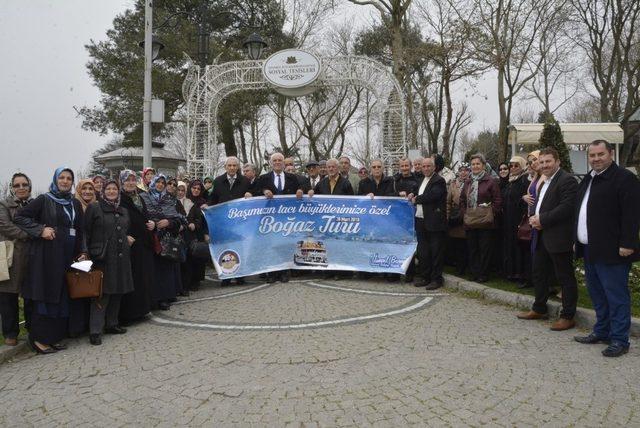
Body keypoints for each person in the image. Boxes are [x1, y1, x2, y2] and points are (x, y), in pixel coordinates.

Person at [573, 140, 640, 357]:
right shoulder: (588, 179)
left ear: (611, 153)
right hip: (589, 248)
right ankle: (602, 331)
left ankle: (620, 339)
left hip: (614, 250)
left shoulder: (624, 179)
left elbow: (632, 214)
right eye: (592, 155)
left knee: (616, 296)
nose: (596, 159)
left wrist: (628, 243)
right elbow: (581, 211)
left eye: (600, 154)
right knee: (597, 294)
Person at [14, 167, 87, 354]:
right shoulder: (44, 199)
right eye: (61, 177)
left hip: (66, 257)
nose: (65, 181)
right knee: (46, 296)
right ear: (55, 180)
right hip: (46, 257)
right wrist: (40, 230)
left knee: (61, 296)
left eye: (68, 178)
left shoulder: (74, 203)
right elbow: (20, 217)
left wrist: (82, 251)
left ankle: (53, 338)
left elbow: (80, 230)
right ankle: (39, 340)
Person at [517, 148, 579, 331]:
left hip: (558, 236)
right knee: (539, 273)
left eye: (548, 162)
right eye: (542, 162)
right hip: (541, 235)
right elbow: (541, 204)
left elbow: (567, 207)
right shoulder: (544, 181)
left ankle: (568, 316)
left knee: (564, 276)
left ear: (558, 161)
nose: (544, 165)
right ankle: (539, 308)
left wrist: (542, 219)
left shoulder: (567, 180)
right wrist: (534, 217)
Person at [84, 179, 134, 345]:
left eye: (114, 189)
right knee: (102, 293)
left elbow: (125, 229)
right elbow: (86, 232)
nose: (112, 191)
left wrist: (127, 238)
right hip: (102, 257)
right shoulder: (95, 207)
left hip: (121, 256)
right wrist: (86, 252)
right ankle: (95, 330)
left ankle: (112, 323)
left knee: (118, 290)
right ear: (103, 191)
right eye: (109, 189)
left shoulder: (123, 210)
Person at [253, 153, 304, 283]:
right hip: (269, 219)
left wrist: (300, 191)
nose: (277, 162)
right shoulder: (263, 178)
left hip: (287, 218)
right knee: (270, 244)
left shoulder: (292, 178)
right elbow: (254, 192)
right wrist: (264, 191)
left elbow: (302, 188)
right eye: (274, 160)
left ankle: (284, 271)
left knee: (285, 244)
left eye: (279, 160)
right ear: (271, 163)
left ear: (283, 163)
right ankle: (271, 272)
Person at [140, 175, 186, 310]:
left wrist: (168, 222)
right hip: (150, 239)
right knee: (151, 270)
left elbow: (179, 220)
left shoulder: (170, 199)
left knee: (165, 270)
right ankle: (152, 299)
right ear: (152, 183)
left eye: (162, 182)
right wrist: (153, 224)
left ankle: (164, 298)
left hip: (166, 240)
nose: (160, 185)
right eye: (158, 182)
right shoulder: (143, 197)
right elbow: (140, 216)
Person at [0, 173, 33, 346]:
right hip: (10, 257)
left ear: (29, 186)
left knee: (31, 296)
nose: (21, 188)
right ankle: (10, 334)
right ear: (12, 188)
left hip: (31, 256)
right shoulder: (4, 204)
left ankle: (32, 329)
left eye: (24, 184)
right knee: (7, 297)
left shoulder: (36, 203)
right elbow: (5, 226)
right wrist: (28, 234)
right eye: (17, 185)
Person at [118, 170, 155, 324]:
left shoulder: (139, 198)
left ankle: (142, 310)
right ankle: (130, 314)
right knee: (131, 279)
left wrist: (152, 224)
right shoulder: (119, 199)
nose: (131, 183)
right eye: (127, 180)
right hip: (129, 244)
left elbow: (145, 216)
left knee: (142, 278)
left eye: (133, 180)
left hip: (143, 243)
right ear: (122, 182)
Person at [459, 154, 502, 283]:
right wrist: (464, 213)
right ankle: (474, 272)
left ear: (483, 165)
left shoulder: (490, 181)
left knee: (485, 249)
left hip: (485, 222)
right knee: (472, 248)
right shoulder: (468, 182)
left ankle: (483, 274)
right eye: (473, 164)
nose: (475, 166)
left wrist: (490, 213)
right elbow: (462, 200)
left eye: (478, 164)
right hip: (470, 221)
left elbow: (497, 200)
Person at [210, 157, 251, 285]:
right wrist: (207, 206)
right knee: (225, 248)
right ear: (225, 167)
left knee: (240, 247)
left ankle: (240, 275)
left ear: (238, 167)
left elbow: (253, 196)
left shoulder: (245, 181)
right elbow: (213, 199)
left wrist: (250, 194)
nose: (232, 168)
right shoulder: (217, 181)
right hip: (224, 221)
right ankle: (226, 275)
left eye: (234, 165)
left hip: (240, 221)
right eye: (230, 166)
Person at [411, 157, 447, 289]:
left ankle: (436, 279)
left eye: (428, 166)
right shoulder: (421, 180)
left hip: (434, 221)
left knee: (435, 251)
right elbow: (417, 193)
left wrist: (417, 199)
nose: (425, 168)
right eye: (423, 166)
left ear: (434, 167)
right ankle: (425, 276)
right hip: (420, 219)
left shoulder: (439, 181)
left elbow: (433, 196)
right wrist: (411, 195)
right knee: (423, 251)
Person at [502, 157, 529, 286]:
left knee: (519, 248)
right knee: (510, 246)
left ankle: (520, 274)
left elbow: (525, 200)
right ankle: (510, 272)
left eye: (516, 166)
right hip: (508, 219)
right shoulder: (510, 181)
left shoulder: (524, 180)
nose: (512, 168)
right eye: (511, 166)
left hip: (519, 219)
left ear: (522, 166)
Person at [182, 179, 209, 290]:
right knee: (189, 257)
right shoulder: (185, 200)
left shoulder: (203, 202)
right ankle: (188, 280)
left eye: (198, 188)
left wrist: (206, 233)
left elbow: (207, 220)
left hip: (199, 232)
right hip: (187, 232)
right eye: (194, 188)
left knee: (199, 257)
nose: (196, 190)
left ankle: (196, 280)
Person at [446, 163, 470, 275]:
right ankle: (459, 267)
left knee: (468, 244)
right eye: (461, 170)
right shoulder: (453, 184)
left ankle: (468, 267)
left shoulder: (472, 183)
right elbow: (448, 202)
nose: (463, 172)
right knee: (457, 244)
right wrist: (447, 216)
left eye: (466, 170)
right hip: (456, 217)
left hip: (469, 216)